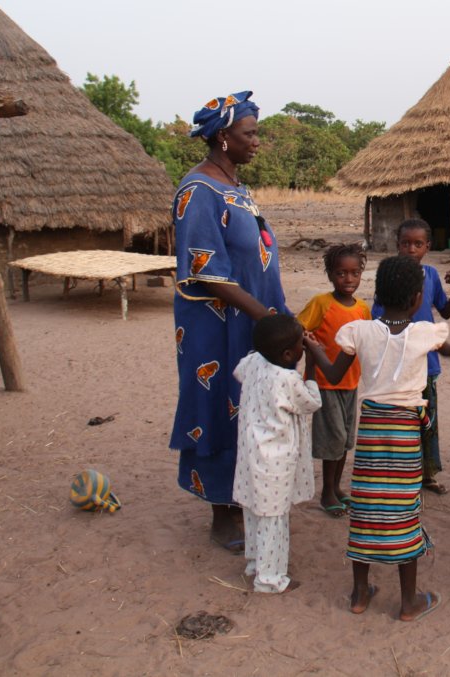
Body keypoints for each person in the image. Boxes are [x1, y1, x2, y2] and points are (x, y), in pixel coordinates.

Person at [304, 255, 450, 622]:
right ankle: (408, 601)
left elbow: (333, 373)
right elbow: (447, 341)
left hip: (371, 432)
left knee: (366, 506)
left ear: (377, 294)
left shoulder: (359, 331)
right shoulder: (425, 332)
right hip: (405, 434)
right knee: (403, 509)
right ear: (417, 298)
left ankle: (360, 593)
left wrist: (314, 347)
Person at [170, 91, 289, 552]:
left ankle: (243, 498)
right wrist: (268, 318)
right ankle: (221, 512)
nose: (257, 141)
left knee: (251, 406)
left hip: (252, 322)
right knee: (218, 404)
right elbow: (206, 270)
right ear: (223, 137)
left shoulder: (235, 187)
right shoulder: (198, 191)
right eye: (249, 133)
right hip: (217, 327)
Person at [371, 219, 450, 495]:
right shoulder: (389, 275)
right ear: (397, 245)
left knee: (427, 420)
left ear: (428, 246)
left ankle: (427, 474)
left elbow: (445, 312)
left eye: (418, 244)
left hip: (427, 363)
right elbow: (378, 318)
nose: (411, 249)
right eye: (406, 243)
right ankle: (399, 473)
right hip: (397, 363)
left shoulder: (431, 275)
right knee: (399, 420)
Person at [232, 314, 320, 593]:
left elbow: (239, 370)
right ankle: (270, 579)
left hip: (250, 455)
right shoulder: (287, 378)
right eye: (300, 344)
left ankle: (255, 563)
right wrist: (312, 365)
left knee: (254, 511)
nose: (303, 346)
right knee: (274, 519)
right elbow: (312, 402)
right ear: (287, 355)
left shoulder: (254, 362)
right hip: (274, 461)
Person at [297, 243, 371, 516]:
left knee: (345, 440)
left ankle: (337, 487)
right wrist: (308, 347)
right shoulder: (321, 304)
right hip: (326, 384)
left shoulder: (363, 309)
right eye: (341, 273)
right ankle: (327, 492)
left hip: (350, 383)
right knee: (334, 439)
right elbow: (298, 329)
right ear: (330, 275)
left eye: (354, 273)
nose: (348, 279)